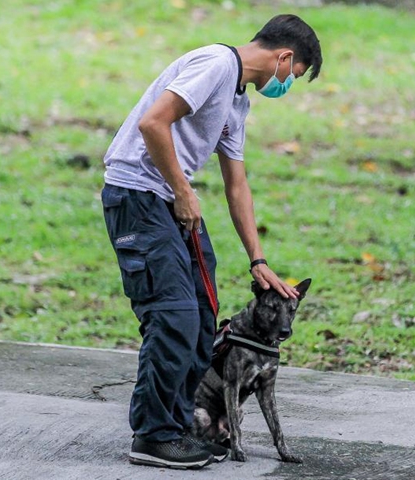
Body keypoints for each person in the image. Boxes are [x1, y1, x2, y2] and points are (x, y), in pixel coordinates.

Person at [101, 14, 322, 469]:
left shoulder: (237, 101)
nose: (288, 85)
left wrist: (257, 259)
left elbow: (236, 186)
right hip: (139, 196)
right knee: (174, 315)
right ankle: (152, 436)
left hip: (172, 201)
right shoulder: (217, 65)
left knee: (203, 318)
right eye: (294, 76)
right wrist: (183, 192)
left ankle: (181, 426)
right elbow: (153, 124)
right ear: (283, 57)